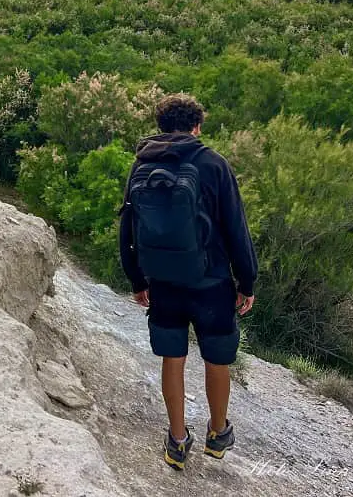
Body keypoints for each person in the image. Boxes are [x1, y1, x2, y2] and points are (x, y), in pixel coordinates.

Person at [118, 93, 258, 471]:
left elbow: (128, 226)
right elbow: (235, 227)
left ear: (161, 126)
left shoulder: (141, 165)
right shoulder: (214, 164)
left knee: (172, 358)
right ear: (197, 126)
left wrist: (136, 279)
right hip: (211, 282)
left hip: (163, 281)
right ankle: (217, 433)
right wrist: (247, 281)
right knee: (216, 358)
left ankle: (177, 441)